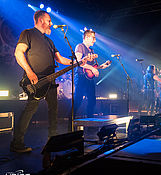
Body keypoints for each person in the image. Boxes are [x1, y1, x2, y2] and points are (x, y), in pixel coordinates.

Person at [10, 10, 86, 153]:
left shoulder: (49, 41)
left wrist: (77, 62)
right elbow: (18, 53)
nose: (51, 23)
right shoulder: (28, 33)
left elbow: (60, 59)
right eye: (49, 20)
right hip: (35, 80)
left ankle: (53, 141)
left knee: (53, 110)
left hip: (50, 81)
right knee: (30, 109)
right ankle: (17, 143)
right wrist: (29, 71)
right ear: (40, 20)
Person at [74, 29, 110, 118]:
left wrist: (101, 66)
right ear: (86, 37)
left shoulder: (91, 50)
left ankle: (90, 120)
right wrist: (91, 68)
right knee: (78, 99)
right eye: (93, 38)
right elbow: (78, 61)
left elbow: (92, 67)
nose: (95, 40)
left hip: (89, 78)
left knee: (92, 100)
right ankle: (70, 120)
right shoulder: (80, 46)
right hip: (81, 77)